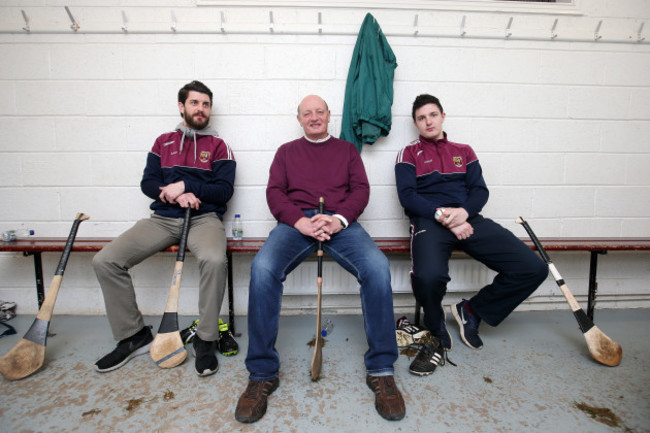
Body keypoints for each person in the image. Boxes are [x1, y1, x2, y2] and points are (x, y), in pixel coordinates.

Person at [234, 95, 405, 423]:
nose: (314, 117)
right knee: (263, 268)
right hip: (295, 223)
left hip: (339, 223)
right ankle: (261, 374)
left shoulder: (347, 151)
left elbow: (361, 191)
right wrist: (299, 221)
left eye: (319, 112)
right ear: (299, 119)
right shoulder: (286, 152)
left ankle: (381, 369)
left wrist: (339, 219)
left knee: (377, 267)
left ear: (329, 116)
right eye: (307, 113)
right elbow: (274, 193)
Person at [394, 94, 548, 376]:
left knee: (533, 268)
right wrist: (445, 217)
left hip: (468, 219)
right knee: (428, 276)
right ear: (415, 123)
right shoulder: (408, 153)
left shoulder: (464, 151)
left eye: (432, 115)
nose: (428, 121)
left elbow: (480, 191)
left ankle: (473, 312)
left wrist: (463, 213)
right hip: (430, 220)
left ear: (442, 116)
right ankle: (436, 325)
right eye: (421, 117)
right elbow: (407, 196)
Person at [92, 80, 238, 377]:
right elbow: (148, 182)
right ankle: (133, 335)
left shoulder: (220, 147)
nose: (201, 109)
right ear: (182, 106)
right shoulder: (163, 142)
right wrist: (172, 193)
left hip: (203, 219)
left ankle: (206, 339)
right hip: (163, 218)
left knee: (213, 260)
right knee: (106, 260)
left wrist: (187, 185)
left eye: (206, 104)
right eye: (195, 103)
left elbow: (223, 191)